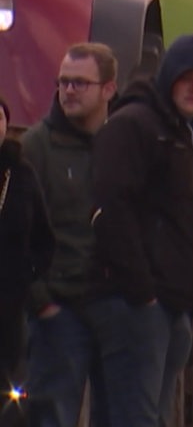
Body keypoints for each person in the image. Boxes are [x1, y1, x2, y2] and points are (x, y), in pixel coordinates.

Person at [86, 35, 193, 427]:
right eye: (187, 79)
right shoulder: (134, 126)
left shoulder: (191, 139)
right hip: (134, 306)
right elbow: (111, 208)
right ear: (168, 79)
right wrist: (142, 294)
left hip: (170, 307)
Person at [21, 43, 117, 427]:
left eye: (80, 83)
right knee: (52, 415)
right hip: (58, 314)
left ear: (108, 89)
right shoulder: (36, 147)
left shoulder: (122, 143)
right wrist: (41, 302)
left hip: (113, 308)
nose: (69, 91)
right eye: (64, 82)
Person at [0, 94, 54, 414]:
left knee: (11, 396)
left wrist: (27, 275)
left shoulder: (21, 175)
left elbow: (44, 240)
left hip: (10, 309)